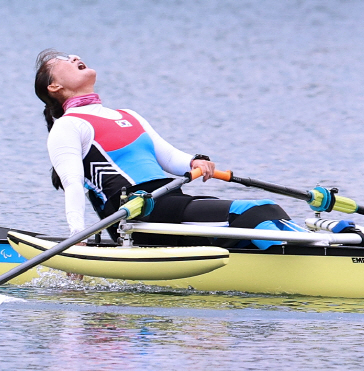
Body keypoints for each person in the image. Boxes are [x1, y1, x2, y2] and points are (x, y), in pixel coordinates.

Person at [34, 49, 301, 248]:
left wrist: (195, 162)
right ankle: (302, 259)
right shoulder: (68, 126)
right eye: (62, 62)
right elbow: (73, 184)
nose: (73, 57)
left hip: (171, 201)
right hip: (136, 216)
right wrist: (76, 238)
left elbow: (169, 157)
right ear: (54, 86)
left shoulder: (128, 114)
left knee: (267, 210)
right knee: (253, 211)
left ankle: (313, 247)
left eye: (72, 56)